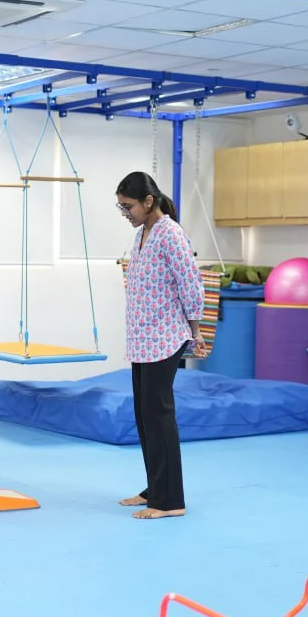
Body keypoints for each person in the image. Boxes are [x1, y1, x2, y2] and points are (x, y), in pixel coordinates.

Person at [114, 171, 206, 520]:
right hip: (142, 338)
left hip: (165, 337)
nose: (126, 213)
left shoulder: (171, 234)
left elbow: (191, 285)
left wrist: (194, 331)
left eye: (129, 206)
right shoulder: (142, 234)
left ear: (148, 202)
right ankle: (155, 486)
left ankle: (169, 501)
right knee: (144, 416)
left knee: (160, 416)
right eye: (121, 207)